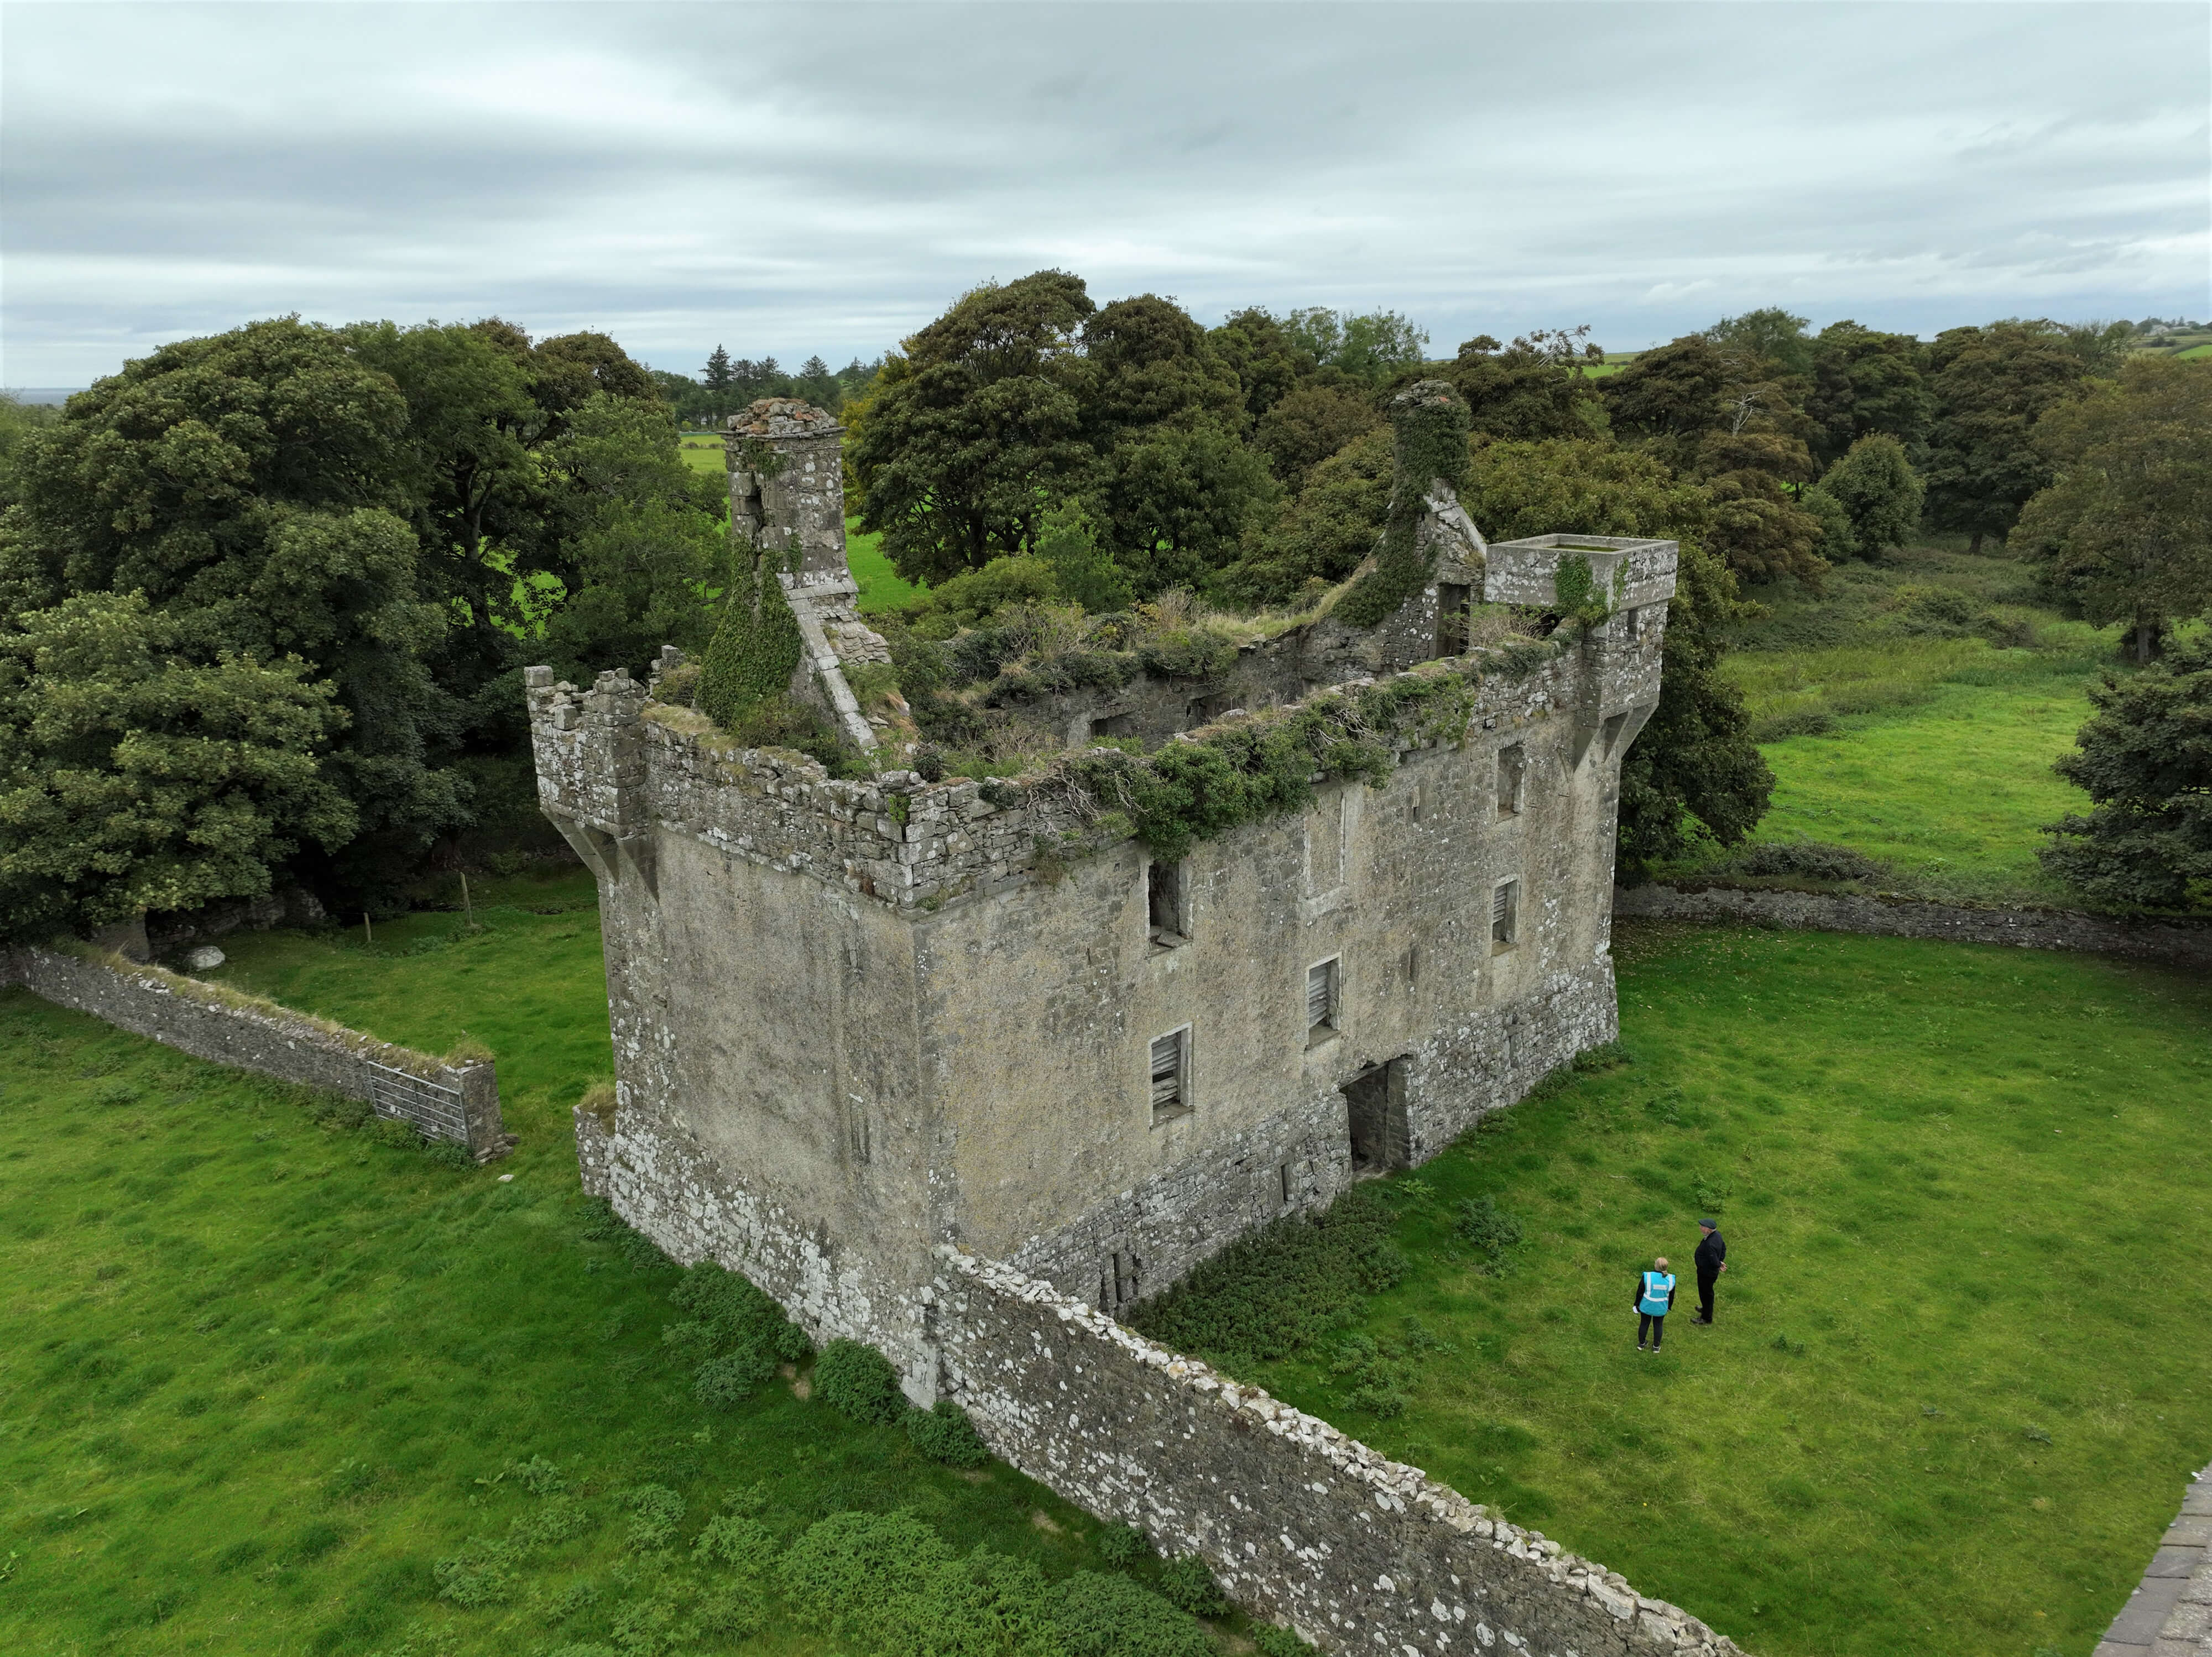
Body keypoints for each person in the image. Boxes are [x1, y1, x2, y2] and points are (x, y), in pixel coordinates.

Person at [1634, 1257, 1675, 1352]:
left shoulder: (1647, 1276)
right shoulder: (1671, 1279)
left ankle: (1642, 1344)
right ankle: (1656, 1347)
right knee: (1658, 1325)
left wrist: (1637, 1304)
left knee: (1644, 1324)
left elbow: (1640, 1292)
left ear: (1655, 1265)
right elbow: (1671, 1296)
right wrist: (1669, 1307)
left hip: (1646, 1306)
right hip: (1661, 1307)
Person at [1692, 1219, 1727, 1324]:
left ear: (1709, 1229)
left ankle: (1706, 1318)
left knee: (1706, 1294)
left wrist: (1718, 1264)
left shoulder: (1710, 1244)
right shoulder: (1717, 1235)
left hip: (1706, 1273)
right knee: (1707, 1293)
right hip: (1709, 1272)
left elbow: (1712, 1260)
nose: (1700, 1228)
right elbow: (1724, 1248)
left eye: (1702, 1227)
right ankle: (1706, 1309)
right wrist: (1720, 1261)